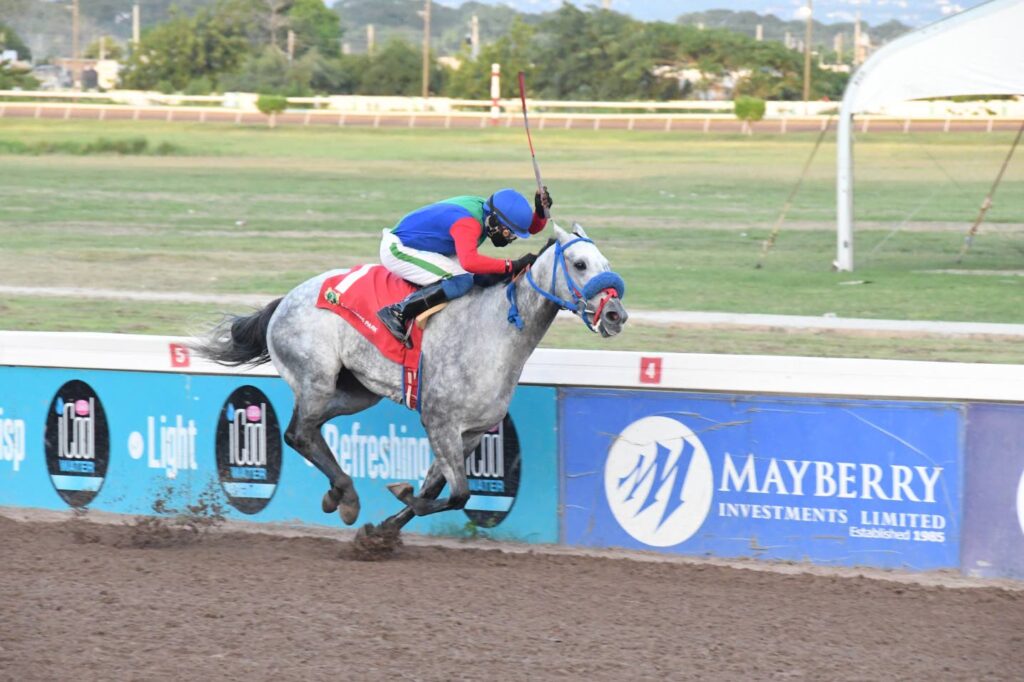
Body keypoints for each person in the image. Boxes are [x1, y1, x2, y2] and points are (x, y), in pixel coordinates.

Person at [377, 187, 553, 345]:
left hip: (427, 247)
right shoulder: (468, 223)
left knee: (482, 278)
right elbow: (470, 262)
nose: (509, 239)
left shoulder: (489, 211)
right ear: (494, 222)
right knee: (461, 281)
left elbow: (527, 227)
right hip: (399, 248)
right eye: (508, 233)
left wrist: (540, 214)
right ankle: (397, 312)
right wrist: (512, 265)